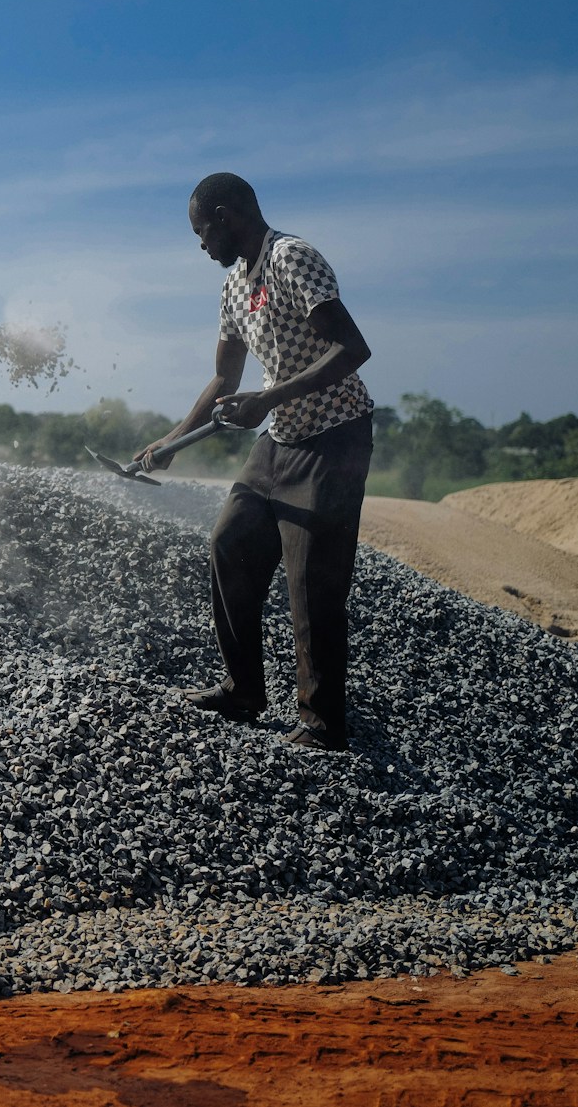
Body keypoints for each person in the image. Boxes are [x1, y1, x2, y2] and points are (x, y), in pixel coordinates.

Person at [138, 173, 374, 751]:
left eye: (201, 231)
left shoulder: (293, 259)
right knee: (229, 543)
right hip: (281, 437)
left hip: (334, 436)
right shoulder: (233, 287)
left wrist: (267, 400)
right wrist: (170, 441)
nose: (200, 245)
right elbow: (226, 376)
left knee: (311, 584)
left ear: (226, 216)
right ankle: (243, 690)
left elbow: (354, 349)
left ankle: (322, 725)